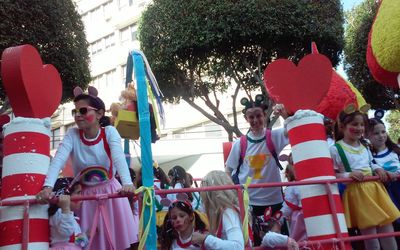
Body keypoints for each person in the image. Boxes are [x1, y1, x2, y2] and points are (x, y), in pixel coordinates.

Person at [36, 86, 138, 250]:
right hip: (85, 199)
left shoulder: (109, 132)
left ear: (99, 113)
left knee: (118, 244)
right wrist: (47, 186)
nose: (78, 115)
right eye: (75, 112)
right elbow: (59, 159)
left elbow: (118, 157)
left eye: (83, 110)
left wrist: (127, 183)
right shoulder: (72, 135)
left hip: (110, 193)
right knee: (88, 243)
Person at [330, 107, 400, 250]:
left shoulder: (365, 146)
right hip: (358, 194)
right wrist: (347, 175)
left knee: (388, 233)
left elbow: (371, 163)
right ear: (343, 126)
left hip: (376, 190)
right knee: (371, 237)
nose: (359, 128)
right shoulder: (336, 149)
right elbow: (332, 174)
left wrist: (379, 169)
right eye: (354, 124)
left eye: (362, 125)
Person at [225, 95, 289, 245]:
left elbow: (291, 130)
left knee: (280, 243)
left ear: (265, 115)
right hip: (250, 204)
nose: (255, 120)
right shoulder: (239, 144)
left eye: (258, 115)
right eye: (251, 117)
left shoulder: (274, 136)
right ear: (247, 119)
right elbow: (228, 170)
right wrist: (233, 192)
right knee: (256, 243)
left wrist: (285, 115)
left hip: (275, 201)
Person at [191, 170, 245, 249]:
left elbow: (238, 247)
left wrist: (204, 239)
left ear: (211, 195)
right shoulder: (226, 212)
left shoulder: (228, 213)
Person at [49, 178, 88, 250]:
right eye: (78, 192)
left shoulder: (71, 215)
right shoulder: (58, 212)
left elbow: (76, 242)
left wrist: (88, 234)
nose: (82, 196)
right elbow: (66, 232)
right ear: (65, 195)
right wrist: (65, 209)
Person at [281, 160, 307, 242]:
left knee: (298, 238)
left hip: (298, 216)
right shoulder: (305, 183)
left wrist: (281, 216)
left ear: (287, 175)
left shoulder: (290, 187)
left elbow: (287, 207)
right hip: (309, 211)